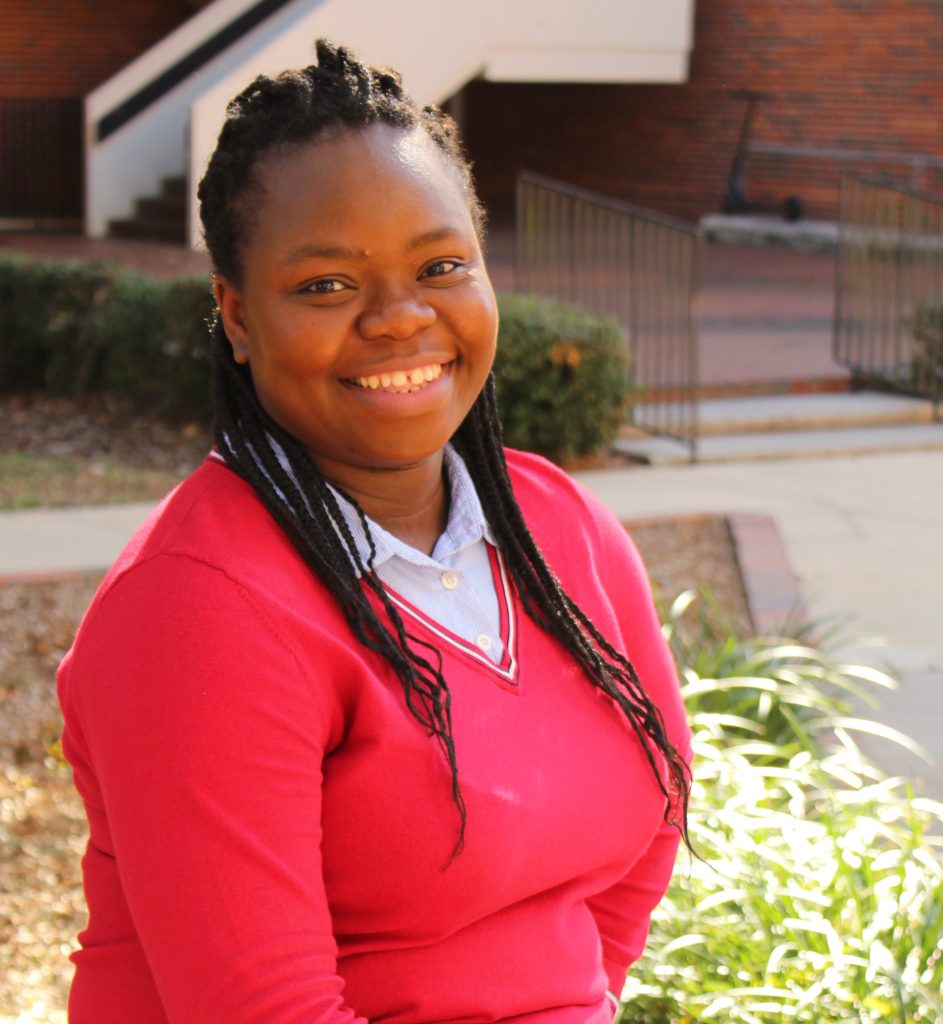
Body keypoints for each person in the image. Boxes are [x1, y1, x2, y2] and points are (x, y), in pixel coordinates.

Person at [57, 40, 692, 1024]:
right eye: (326, 285)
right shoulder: (196, 610)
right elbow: (263, 1011)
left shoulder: (559, 527)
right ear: (234, 313)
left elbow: (647, 828)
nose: (401, 318)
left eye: (440, 265)